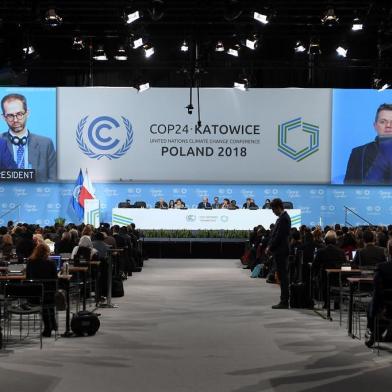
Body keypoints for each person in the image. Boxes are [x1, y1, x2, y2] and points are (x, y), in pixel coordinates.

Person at [0, 93, 56, 181]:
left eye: (19, 114)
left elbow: (53, 181)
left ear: (27, 113)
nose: (15, 120)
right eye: (10, 115)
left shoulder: (46, 144)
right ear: (4, 117)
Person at [344, 103, 392, 184]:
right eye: (383, 122)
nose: (388, 125)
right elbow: (348, 190)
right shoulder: (358, 153)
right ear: (375, 126)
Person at [26, 242, 58, 337]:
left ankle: (50, 326)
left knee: (44, 298)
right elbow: (55, 279)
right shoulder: (51, 263)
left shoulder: (30, 262)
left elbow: (28, 278)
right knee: (49, 300)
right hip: (49, 294)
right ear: (47, 252)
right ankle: (51, 325)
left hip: (34, 295)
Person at [265, 198, 291, 309]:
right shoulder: (281, 218)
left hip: (281, 251)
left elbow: (279, 236)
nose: (273, 212)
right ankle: (284, 300)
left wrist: (270, 247)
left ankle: (284, 301)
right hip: (279, 250)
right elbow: (275, 235)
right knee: (281, 276)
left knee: (283, 277)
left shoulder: (284, 218)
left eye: (273, 209)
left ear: (278, 207)